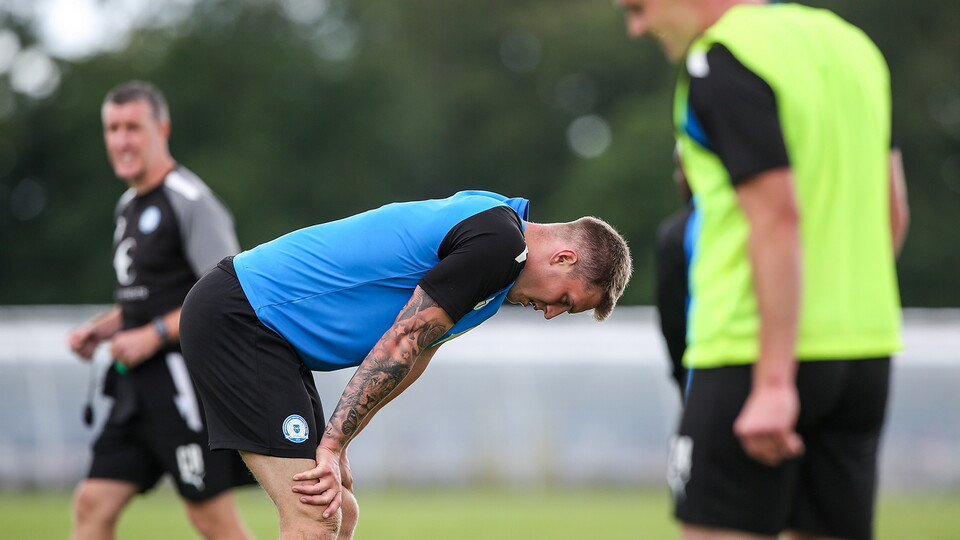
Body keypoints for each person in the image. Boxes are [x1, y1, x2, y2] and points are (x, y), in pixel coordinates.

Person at [179, 190, 634, 540]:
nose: (551, 313)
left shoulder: (497, 269)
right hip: (242, 317)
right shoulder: (499, 245)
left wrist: (343, 439)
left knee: (341, 513)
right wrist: (331, 445)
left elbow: (416, 356)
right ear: (563, 257)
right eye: (566, 301)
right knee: (312, 517)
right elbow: (404, 338)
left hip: (270, 337)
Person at [618, 1, 909, 539]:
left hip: (752, 358)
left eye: (637, 8)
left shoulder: (723, 58)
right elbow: (891, 213)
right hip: (862, 358)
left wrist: (775, 381)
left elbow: (776, 218)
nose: (637, 28)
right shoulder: (853, 46)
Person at [66, 81, 255, 540]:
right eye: (113, 128)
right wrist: (105, 329)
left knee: (209, 517)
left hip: (181, 387)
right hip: (134, 391)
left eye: (133, 127)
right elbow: (148, 295)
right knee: (92, 504)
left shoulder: (190, 200)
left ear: (161, 129)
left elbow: (227, 297)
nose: (122, 140)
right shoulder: (127, 206)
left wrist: (152, 334)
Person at [655, 150, 695, 398]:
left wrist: (681, 377)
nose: (677, 178)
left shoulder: (678, 233)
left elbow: (673, 320)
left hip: (707, 370)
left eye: (681, 169)